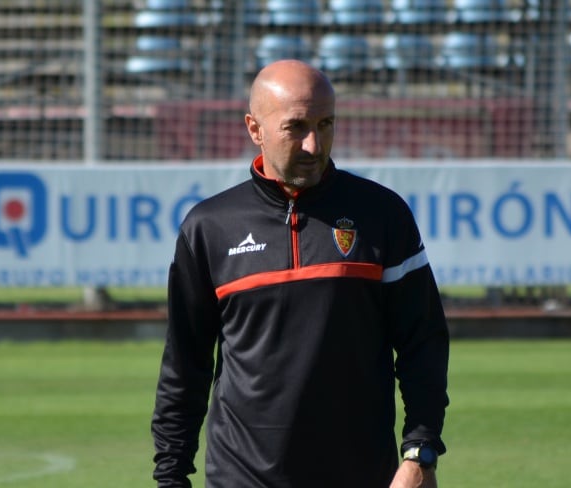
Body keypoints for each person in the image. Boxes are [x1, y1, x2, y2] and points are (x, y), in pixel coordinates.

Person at [151, 59, 449, 488]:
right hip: (242, 477)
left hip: (361, 475)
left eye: (326, 124)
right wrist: (170, 478)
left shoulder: (382, 215)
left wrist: (421, 451)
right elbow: (185, 366)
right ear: (255, 129)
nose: (314, 144)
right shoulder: (210, 227)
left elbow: (423, 342)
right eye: (296, 127)